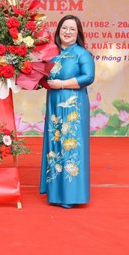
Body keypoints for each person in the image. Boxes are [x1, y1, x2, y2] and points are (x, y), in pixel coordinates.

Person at [40, 15, 95, 208]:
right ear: (58, 31)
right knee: (55, 144)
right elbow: (44, 76)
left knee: (71, 144)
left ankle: (72, 196)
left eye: (72, 29)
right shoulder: (53, 53)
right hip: (54, 103)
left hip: (73, 105)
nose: (67, 32)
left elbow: (88, 77)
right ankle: (56, 193)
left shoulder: (82, 53)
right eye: (64, 28)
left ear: (78, 32)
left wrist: (62, 84)